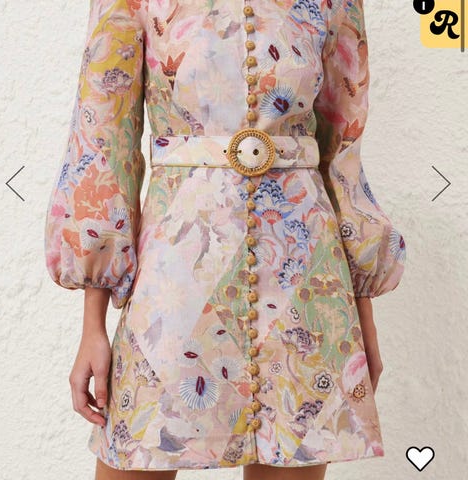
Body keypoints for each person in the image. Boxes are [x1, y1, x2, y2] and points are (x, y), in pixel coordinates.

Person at [44, 0, 406, 478]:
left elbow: (343, 151)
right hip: (177, 269)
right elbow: (102, 142)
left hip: (304, 274)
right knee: (136, 447)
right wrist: (92, 325)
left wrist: (363, 313)